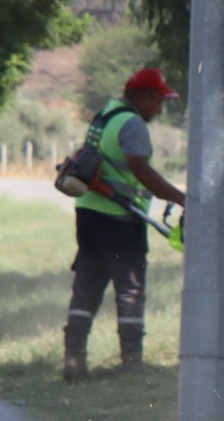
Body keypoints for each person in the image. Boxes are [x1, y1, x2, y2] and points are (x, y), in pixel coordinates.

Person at [64, 67, 186, 383]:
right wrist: (181, 198)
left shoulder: (106, 115)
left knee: (88, 283)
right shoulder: (132, 125)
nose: (160, 109)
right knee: (130, 288)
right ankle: (131, 363)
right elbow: (141, 170)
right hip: (119, 219)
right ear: (145, 97)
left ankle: (74, 359)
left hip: (89, 212)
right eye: (159, 101)